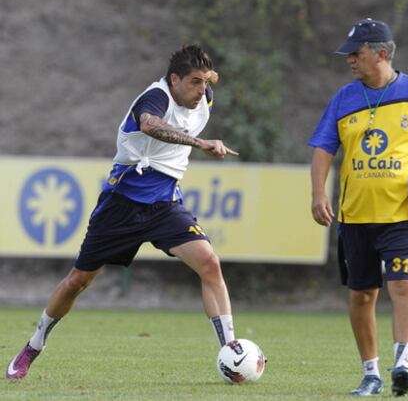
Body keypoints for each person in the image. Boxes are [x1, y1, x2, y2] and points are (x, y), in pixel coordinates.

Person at [6, 45, 239, 380]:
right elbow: (149, 125)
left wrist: (207, 83)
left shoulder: (204, 95)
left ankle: (231, 352)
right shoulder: (155, 98)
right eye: (194, 82)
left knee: (210, 263)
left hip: (164, 205)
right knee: (78, 282)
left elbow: (203, 89)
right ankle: (33, 345)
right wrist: (200, 143)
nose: (201, 90)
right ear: (174, 79)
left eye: (205, 82)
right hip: (122, 203)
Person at [309, 18, 408, 397]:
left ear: (381, 54)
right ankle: (370, 373)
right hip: (354, 217)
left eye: (356, 53)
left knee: (403, 285)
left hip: (402, 216)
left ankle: (402, 363)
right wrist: (319, 194)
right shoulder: (344, 98)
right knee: (362, 295)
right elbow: (323, 148)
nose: (349, 59)